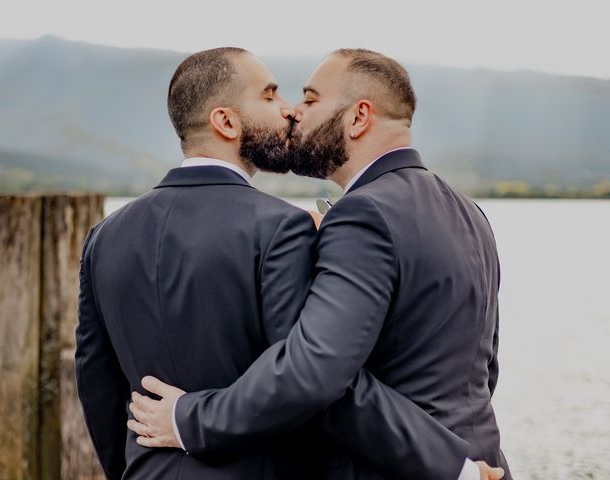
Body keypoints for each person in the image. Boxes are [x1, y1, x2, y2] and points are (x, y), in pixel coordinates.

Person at [76, 47, 496, 480]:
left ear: (358, 117)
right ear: (225, 121)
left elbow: (97, 385)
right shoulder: (471, 216)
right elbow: (482, 365)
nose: (292, 111)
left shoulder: (104, 237)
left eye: (308, 99)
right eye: (272, 96)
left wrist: (137, 463)